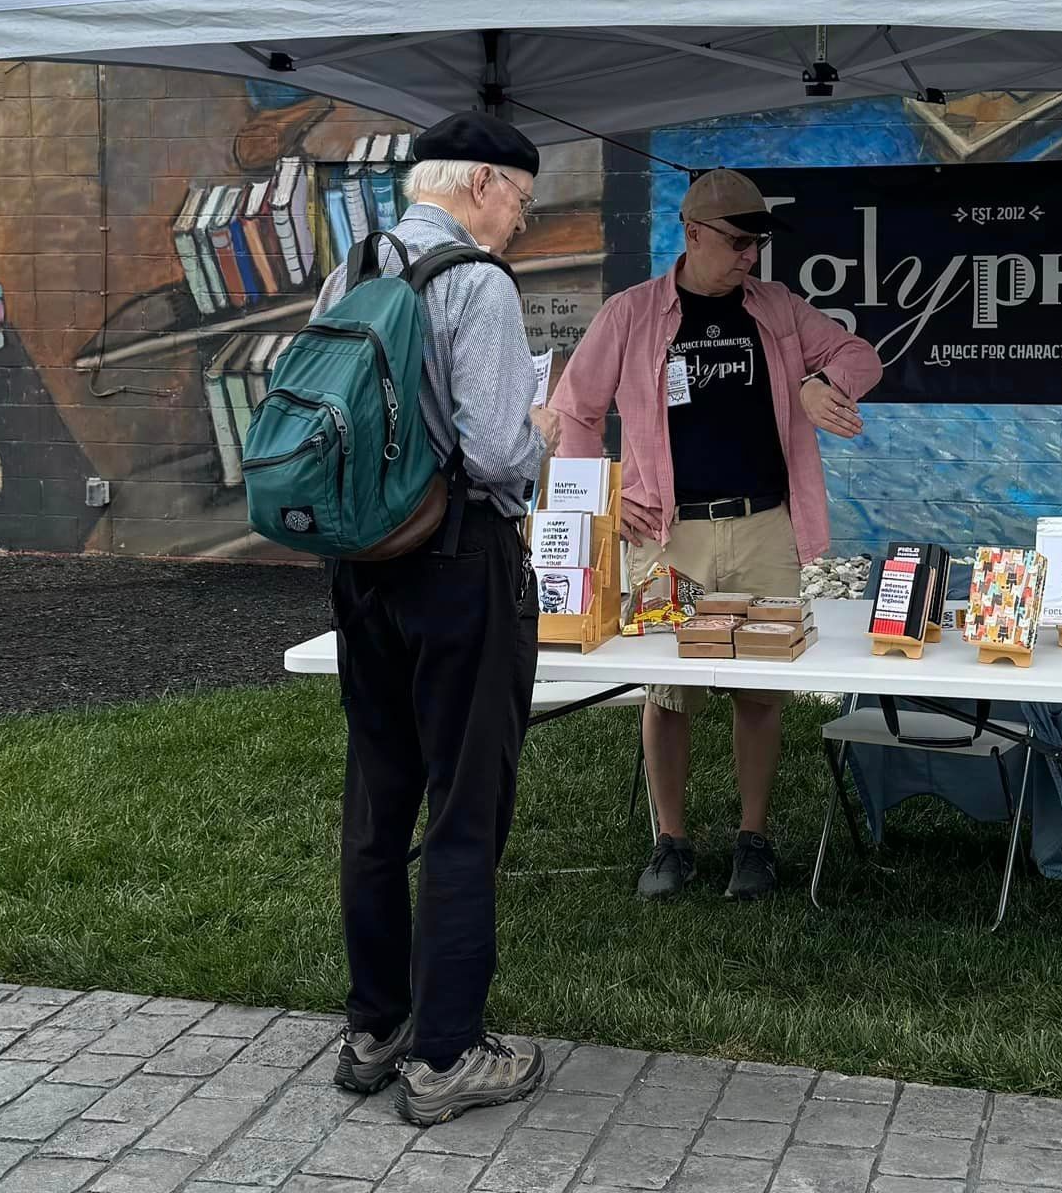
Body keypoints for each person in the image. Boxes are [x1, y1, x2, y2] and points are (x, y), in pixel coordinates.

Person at [314, 111, 557, 1126]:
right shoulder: (475, 282)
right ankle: (448, 1051)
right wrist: (543, 425)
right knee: (463, 805)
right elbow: (499, 456)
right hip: (459, 561)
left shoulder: (351, 268)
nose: (518, 223)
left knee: (377, 799)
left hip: (361, 558)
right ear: (485, 185)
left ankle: (376, 1024)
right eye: (520, 202)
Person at [552, 168, 883, 902]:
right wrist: (604, 501)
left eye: (758, 242)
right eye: (736, 241)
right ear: (693, 233)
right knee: (668, 692)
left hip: (767, 524)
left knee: (760, 690)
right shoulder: (632, 313)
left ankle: (753, 840)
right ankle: (670, 840)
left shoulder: (778, 310)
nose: (749, 257)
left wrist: (823, 384)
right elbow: (574, 409)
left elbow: (861, 356)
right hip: (673, 535)